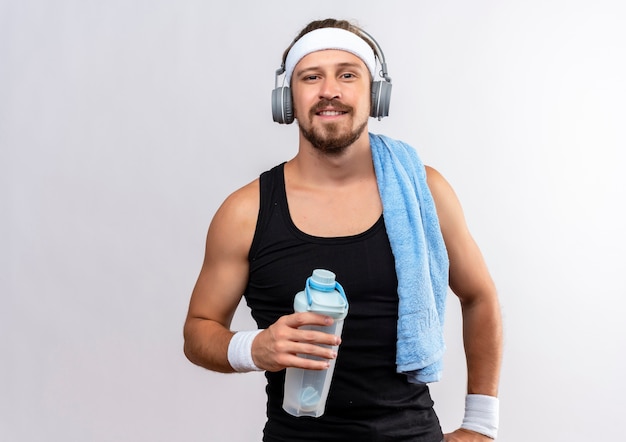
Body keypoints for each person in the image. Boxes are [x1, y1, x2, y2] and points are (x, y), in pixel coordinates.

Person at [183, 18, 502, 442]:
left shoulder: (424, 192)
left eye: (347, 75)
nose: (329, 90)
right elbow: (198, 330)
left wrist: (481, 424)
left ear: (375, 95)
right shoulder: (245, 212)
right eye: (311, 77)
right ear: (287, 99)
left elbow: (479, 296)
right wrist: (254, 348)